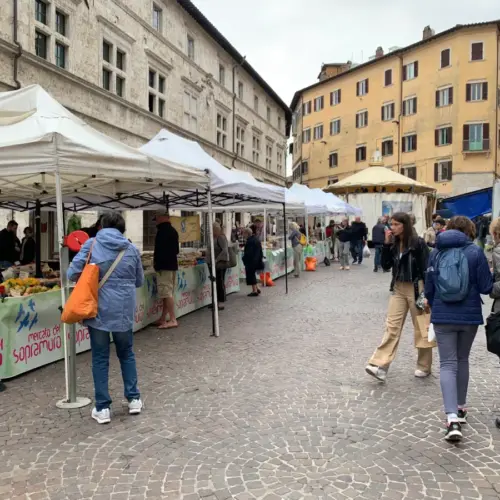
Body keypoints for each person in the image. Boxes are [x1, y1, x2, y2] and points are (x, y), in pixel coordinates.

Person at [68, 212, 144, 424]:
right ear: (122, 228)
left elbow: (71, 273)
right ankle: (134, 398)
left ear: (101, 225)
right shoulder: (131, 248)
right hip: (123, 310)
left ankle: (103, 408)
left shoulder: (92, 244)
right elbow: (139, 280)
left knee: (100, 357)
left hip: (98, 308)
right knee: (126, 353)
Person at [425, 216, 493, 442]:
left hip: (443, 316)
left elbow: (429, 289)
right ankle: (461, 407)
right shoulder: (475, 252)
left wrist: (436, 309)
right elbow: (486, 287)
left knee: (447, 363)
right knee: (462, 360)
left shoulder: (435, 252)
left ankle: (451, 418)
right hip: (469, 316)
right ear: (470, 231)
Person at [366, 212, 435, 382]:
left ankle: (424, 366)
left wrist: (428, 293)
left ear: (405, 225)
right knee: (392, 326)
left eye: (396, 224)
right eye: (392, 224)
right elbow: (386, 266)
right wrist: (387, 245)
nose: (393, 227)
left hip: (417, 287)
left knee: (421, 327)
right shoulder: (394, 243)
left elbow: (427, 268)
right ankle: (380, 365)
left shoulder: (418, 243)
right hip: (398, 288)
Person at [154, 213, 180, 329]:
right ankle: (163, 318)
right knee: (167, 293)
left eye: (156, 218)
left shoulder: (162, 232)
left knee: (167, 293)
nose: (156, 221)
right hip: (171, 265)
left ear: (161, 218)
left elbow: (160, 251)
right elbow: (176, 250)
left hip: (164, 267)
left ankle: (173, 319)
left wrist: (157, 264)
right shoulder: (173, 231)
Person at [209, 223, 229, 310]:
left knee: (219, 283)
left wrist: (216, 260)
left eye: (212, 230)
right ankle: (215, 302)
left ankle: (220, 303)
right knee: (214, 283)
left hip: (218, 264)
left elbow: (224, 251)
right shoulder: (214, 237)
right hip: (213, 263)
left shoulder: (221, 237)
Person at [242, 227, 264, 297]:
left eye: (243, 234)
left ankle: (254, 290)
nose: (243, 235)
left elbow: (249, 253)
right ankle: (257, 288)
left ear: (247, 233)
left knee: (251, 275)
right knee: (252, 275)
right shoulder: (255, 239)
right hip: (256, 260)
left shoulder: (250, 241)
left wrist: (244, 258)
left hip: (251, 261)